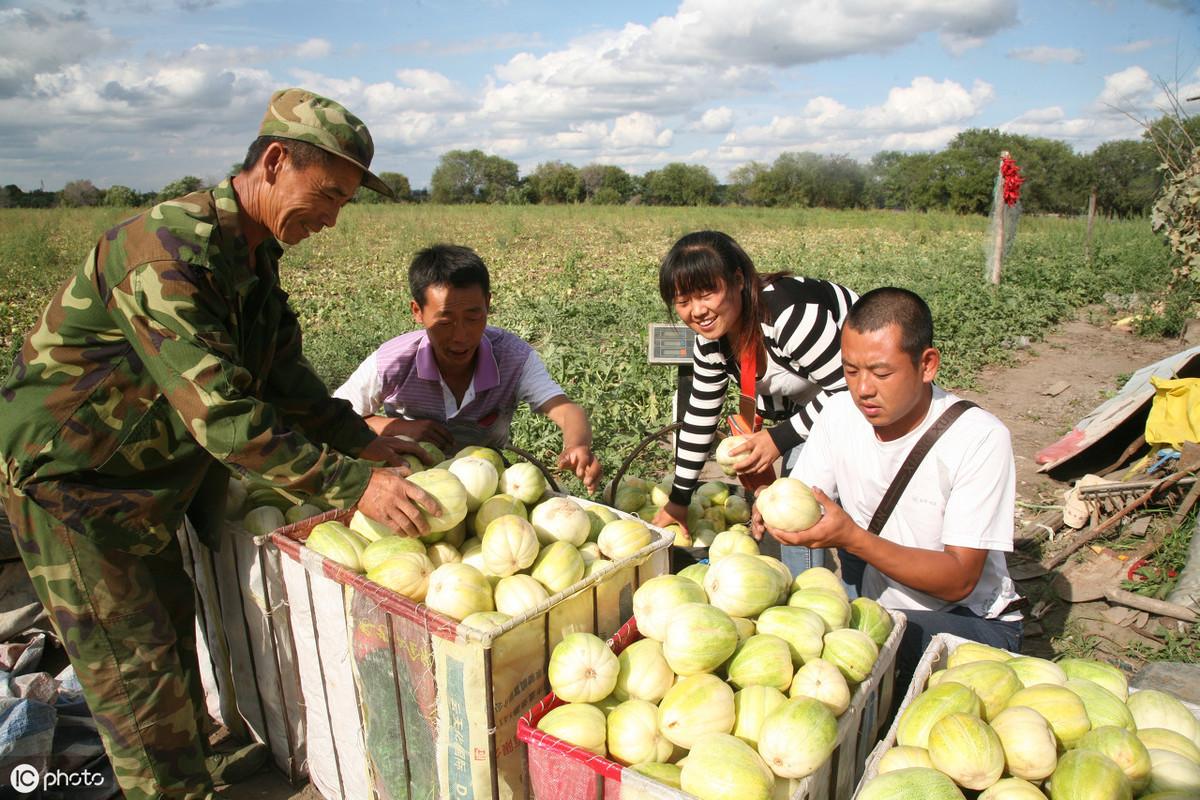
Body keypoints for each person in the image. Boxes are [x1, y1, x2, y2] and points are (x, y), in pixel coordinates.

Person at [0, 88, 442, 800]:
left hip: (143, 486)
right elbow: (227, 415)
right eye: (325, 195)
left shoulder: (252, 259)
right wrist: (356, 485)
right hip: (75, 486)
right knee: (141, 694)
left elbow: (290, 385)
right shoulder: (166, 249)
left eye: (343, 205)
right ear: (274, 161)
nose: (330, 219)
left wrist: (364, 443)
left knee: (169, 659)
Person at [760, 287, 1023, 683]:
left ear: (927, 364)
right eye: (850, 371)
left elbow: (959, 580)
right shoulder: (837, 413)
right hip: (874, 608)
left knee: (841, 665)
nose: (863, 388)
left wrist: (851, 537)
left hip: (965, 622)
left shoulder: (979, 438)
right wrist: (770, 508)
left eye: (881, 372)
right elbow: (801, 497)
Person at [650, 230, 858, 573]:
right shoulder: (711, 342)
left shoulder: (789, 315)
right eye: (683, 301)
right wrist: (679, 499)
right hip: (812, 403)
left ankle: (814, 585)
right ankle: (807, 583)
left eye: (707, 293)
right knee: (790, 503)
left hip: (868, 401)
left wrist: (778, 439)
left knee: (797, 503)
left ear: (738, 281)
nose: (697, 311)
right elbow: (700, 414)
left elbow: (851, 388)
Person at [334, 243, 603, 493]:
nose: (460, 335)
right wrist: (394, 426)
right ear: (417, 311)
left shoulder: (514, 358)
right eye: (445, 321)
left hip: (487, 481)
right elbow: (331, 417)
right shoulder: (392, 361)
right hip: (413, 480)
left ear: (488, 303)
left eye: (473, 318)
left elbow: (566, 410)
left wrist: (577, 445)